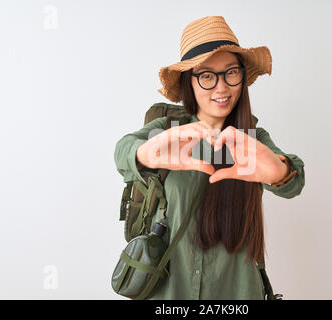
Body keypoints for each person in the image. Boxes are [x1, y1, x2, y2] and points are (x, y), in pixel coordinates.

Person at [114, 16, 305, 300]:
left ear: (241, 76)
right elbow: (124, 150)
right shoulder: (167, 131)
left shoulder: (252, 140)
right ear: (189, 82)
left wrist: (279, 173)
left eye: (231, 72)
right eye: (206, 75)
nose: (221, 87)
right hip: (169, 294)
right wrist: (146, 154)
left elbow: (293, 180)